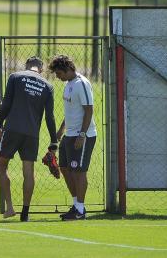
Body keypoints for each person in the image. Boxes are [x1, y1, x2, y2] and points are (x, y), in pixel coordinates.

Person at [0, 56, 58, 222]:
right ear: (41, 69)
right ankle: (25, 213)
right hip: (32, 134)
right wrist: (53, 140)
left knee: (0, 165)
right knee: (28, 171)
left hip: (12, 129)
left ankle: (9, 207)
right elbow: (49, 117)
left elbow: (6, 104)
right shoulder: (48, 86)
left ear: (26, 66)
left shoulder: (15, 77)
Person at [48, 55, 96, 221]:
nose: (57, 77)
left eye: (58, 73)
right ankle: (76, 205)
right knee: (65, 168)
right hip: (69, 134)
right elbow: (71, 111)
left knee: (78, 171)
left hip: (82, 135)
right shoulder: (69, 84)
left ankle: (81, 210)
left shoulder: (81, 84)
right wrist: (61, 130)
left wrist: (82, 134)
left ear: (66, 70)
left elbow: (89, 110)